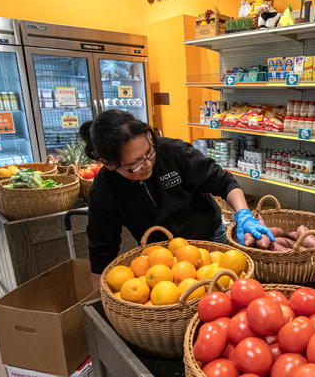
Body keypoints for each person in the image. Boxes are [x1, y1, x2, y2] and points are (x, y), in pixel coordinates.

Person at [80, 110, 274, 289]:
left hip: (209, 239)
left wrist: (243, 214)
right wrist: (101, 303)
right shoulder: (104, 191)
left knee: (221, 290)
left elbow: (223, 182)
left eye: (149, 153)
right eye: (134, 165)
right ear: (108, 163)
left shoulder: (173, 152)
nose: (147, 164)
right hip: (162, 259)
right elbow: (101, 253)